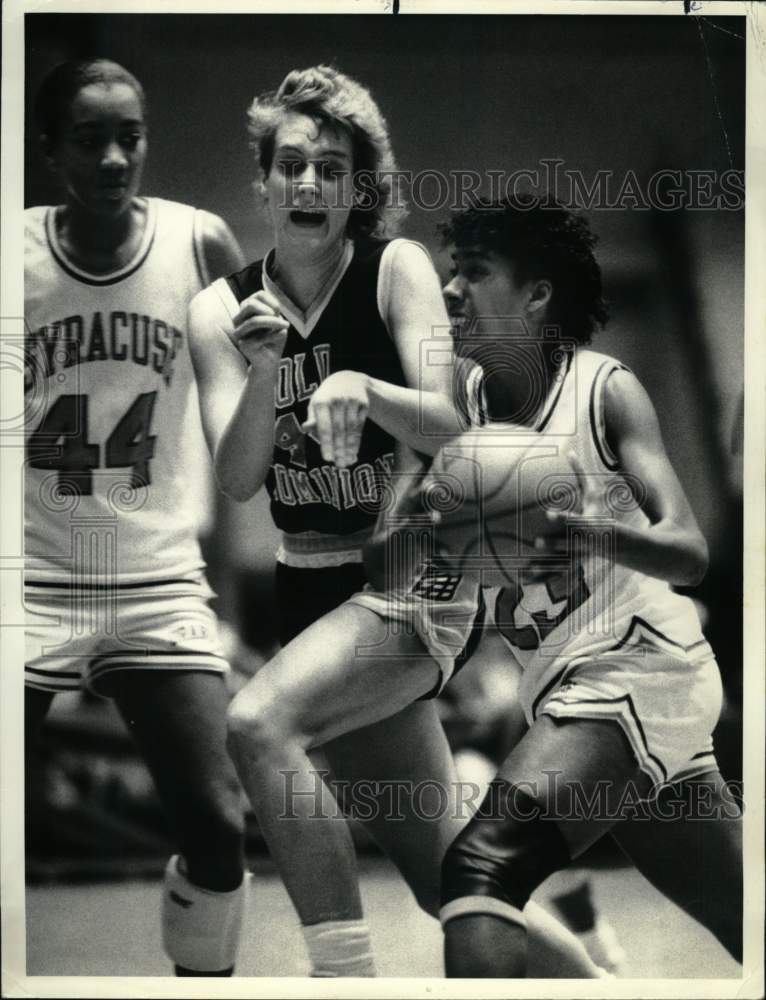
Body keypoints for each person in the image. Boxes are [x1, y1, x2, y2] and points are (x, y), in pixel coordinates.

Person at [191, 66, 604, 978]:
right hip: (308, 583)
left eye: (332, 168)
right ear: (262, 180)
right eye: (291, 164)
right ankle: (604, 987)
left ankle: (345, 983)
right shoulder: (219, 310)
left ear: (359, 188)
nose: (309, 184)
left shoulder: (396, 269)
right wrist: (268, 373)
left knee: (256, 723)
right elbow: (237, 478)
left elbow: (457, 424)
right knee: (448, 879)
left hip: (410, 572)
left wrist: (359, 386)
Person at [437, 195, 742, 976]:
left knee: (481, 869)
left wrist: (583, 531)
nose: (451, 289)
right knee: (752, 922)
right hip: (568, 688)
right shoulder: (459, 406)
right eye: (451, 272)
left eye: (474, 273)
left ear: (537, 294)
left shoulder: (604, 389)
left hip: (637, 668)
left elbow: (688, 549)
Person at [24, 59, 248, 976]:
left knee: (219, 823)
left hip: (156, 576)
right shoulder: (14, 252)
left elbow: (247, 413)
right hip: (29, 575)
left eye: (133, 135)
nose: (117, 157)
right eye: (90, 139)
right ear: (49, 151)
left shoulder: (200, 245)